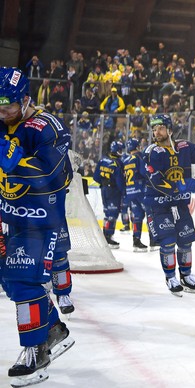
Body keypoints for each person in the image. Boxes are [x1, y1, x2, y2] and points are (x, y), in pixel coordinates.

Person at [0, 67, 74, 385]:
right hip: (12, 216)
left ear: (26, 99)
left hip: (41, 218)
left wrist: (13, 158)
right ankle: (54, 330)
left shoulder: (47, 128)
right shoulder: (4, 122)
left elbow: (55, 177)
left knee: (24, 280)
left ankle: (36, 353)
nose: (1, 112)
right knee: (11, 281)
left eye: (7, 105)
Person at [144, 114, 195, 296]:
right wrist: (180, 186)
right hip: (158, 204)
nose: (156, 132)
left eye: (160, 128)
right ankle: (170, 278)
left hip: (179, 203)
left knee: (186, 240)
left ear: (170, 130)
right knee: (167, 241)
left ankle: (186, 276)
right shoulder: (151, 151)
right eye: (154, 129)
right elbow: (155, 179)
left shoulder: (184, 147)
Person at [93, 141, 126, 249]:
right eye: (120, 150)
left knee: (107, 213)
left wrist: (104, 183)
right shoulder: (117, 163)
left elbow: (95, 177)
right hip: (114, 191)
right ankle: (108, 236)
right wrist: (123, 192)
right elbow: (120, 181)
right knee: (113, 214)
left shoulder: (102, 160)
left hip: (104, 190)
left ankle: (105, 235)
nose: (121, 152)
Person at [122, 138, 149, 252]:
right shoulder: (139, 157)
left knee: (137, 216)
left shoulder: (126, 160)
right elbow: (144, 172)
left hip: (130, 192)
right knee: (150, 213)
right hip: (140, 190)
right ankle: (154, 241)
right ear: (137, 146)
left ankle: (136, 241)